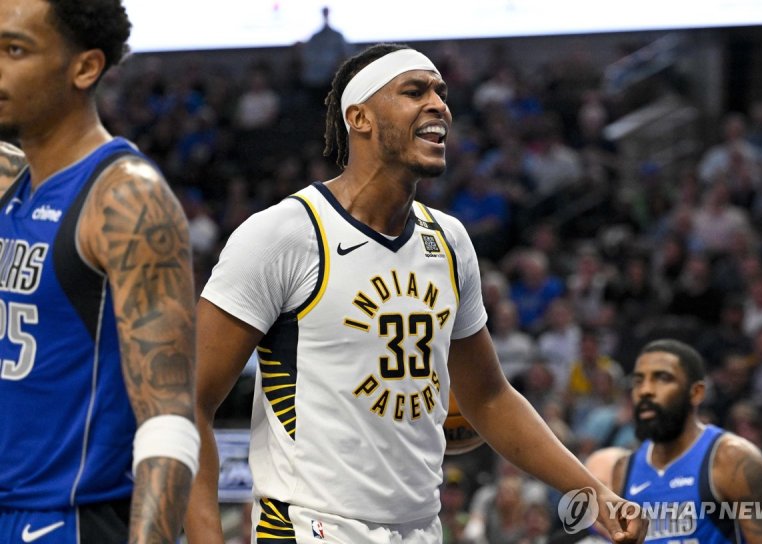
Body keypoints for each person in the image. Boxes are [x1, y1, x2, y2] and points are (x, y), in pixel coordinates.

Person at [184, 43, 646, 544]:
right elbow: (190, 402)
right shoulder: (283, 235)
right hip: (312, 527)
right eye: (415, 91)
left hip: (423, 529)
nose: (439, 105)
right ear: (358, 117)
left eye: (441, 93)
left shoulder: (449, 241)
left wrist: (595, 492)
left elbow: (488, 396)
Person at [0, 1, 198, 543]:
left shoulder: (127, 198)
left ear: (84, 68)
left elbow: (168, 417)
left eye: (14, 50)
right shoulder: (13, 180)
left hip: (69, 522)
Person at [611, 339, 762, 543]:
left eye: (662, 378)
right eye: (638, 381)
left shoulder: (734, 459)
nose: (645, 390)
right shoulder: (623, 470)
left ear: (696, 392)